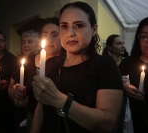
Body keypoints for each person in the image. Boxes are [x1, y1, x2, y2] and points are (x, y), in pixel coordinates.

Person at [30, 1, 123, 133]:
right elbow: (41, 109)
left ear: (94, 29)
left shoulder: (105, 65)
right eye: (64, 26)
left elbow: (106, 124)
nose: (70, 33)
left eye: (78, 25)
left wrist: (59, 99)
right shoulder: (50, 64)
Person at [8, 17, 62, 133]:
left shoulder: (67, 62)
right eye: (45, 35)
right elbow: (24, 88)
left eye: (54, 34)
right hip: (32, 118)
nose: (49, 39)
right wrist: (17, 93)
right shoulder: (29, 61)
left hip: (58, 121)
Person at [8, 30, 40, 133]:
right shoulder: (19, 62)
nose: (25, 44)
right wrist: (14, 99)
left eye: (30, 42)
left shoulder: (42, 63)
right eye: (23, 42)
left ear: (39, 44)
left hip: (36, 113)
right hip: (20, 113)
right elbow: (10, 86)